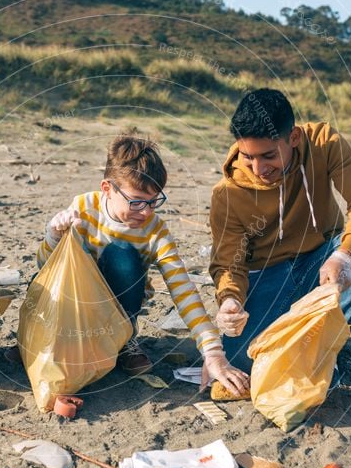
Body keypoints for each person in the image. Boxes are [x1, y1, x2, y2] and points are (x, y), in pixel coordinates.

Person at [38, 134, 248, 395]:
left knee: (123, 254)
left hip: (118, 309)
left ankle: (123, 341)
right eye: (136, 202)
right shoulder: (82, 208)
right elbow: (46, 268)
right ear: (107, 188)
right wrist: (54, 234)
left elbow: (182, 289)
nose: (146, 211)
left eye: (153, 202)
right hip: (76, 305)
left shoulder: (154, 230)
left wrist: (213, 352)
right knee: (88, 249)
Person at [210, 88, 351, 382]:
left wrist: (346, 254)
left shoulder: (323, 143)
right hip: (269, 275)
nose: (259, 168)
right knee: (242, 359)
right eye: (248, 157)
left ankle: (325, 341)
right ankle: (305, 341)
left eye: (268, 155)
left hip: (322, 262)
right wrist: (230, 298)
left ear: (293, 138)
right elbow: (230, 262)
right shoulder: (227, 194)